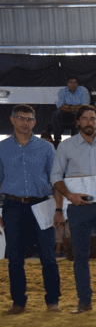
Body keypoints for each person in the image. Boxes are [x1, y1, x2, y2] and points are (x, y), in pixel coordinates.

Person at [51, 105, 96, 314]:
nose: (89, 122)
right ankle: (84, 302)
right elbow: (55, 177)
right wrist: (69, 196)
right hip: (78, 206)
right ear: (78, 122)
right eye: (84, 119)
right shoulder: (66, 147)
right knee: (80, 256)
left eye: (93, 118)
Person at [0, 104, 61, 314]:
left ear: (34, 122)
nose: (25, 123)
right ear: (12, 120)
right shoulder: (2, 148)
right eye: (21, 118)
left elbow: (56, 181)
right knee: (15, 257)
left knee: (48, 256)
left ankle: (53, 301)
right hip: (12, 206)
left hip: (42, 205)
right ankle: (18, 301)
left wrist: (59, 209)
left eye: (29, 119)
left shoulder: (46, 148)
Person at [50, 77, 90, 144]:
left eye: (75, 82)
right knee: (55, 114)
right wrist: (73, 108)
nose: (73, 84)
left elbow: (85, 106)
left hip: (79, 113)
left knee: (82, 114)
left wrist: (69, 106)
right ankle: (57, 140)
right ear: (67, 83)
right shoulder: (62, 91)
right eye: (71, 82)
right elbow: (59, 106)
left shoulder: (83, 90)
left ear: (77, 84)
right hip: (66, 113)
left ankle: (76, 140)